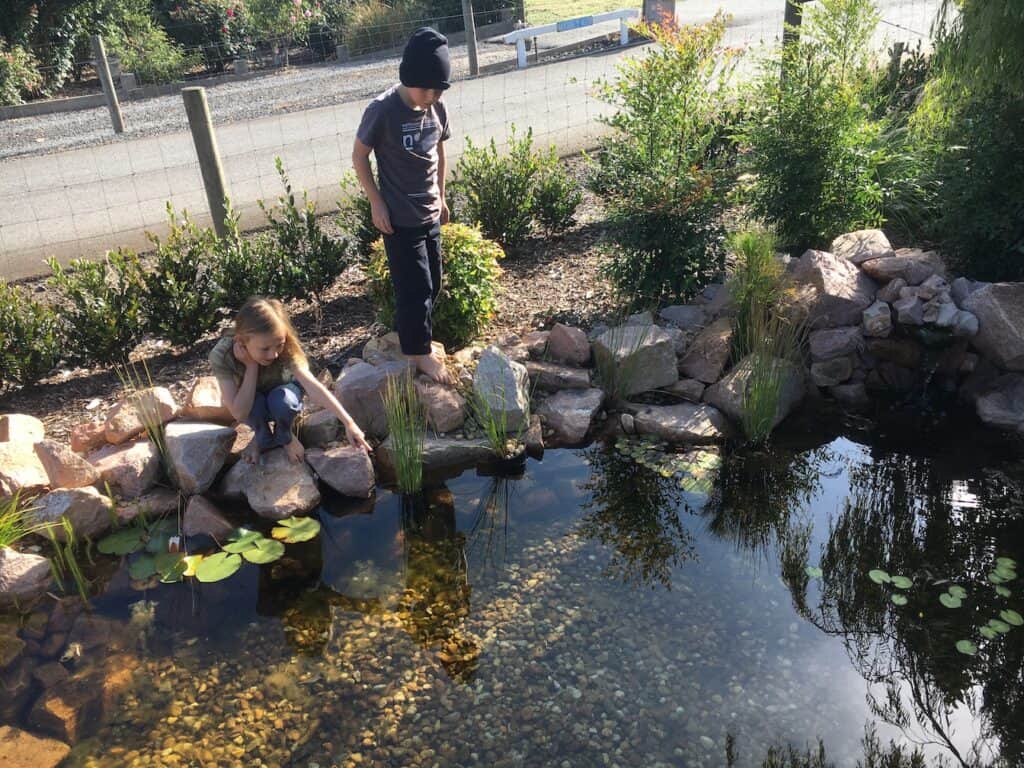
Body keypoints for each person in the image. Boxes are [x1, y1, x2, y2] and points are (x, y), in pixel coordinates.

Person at [352, 26, 455, 386]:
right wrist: (376, 203)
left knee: (434, 283)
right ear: (407, 77)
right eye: (424, 87)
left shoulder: (437, 107)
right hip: (398, 218)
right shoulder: (383, 111)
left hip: (429, 212)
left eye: (436, 89)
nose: (429, 95)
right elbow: (359, 157)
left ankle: (418, 341)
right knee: (414, 288)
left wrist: (441, 195)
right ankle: (417, 352)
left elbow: (439, 151)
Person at [209, 296, 372, 464]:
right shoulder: (222, 355)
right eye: (264, 349)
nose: (274, 354)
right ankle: (261, 435)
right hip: (252, 399)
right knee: (253, 405)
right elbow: (239, 412)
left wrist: (349, 423)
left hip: (283, 393)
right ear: (241, 342)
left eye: (279, 344)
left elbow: (313, 387)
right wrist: (251, 366)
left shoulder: (286, 347)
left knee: (283, 401)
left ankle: (285, 434)